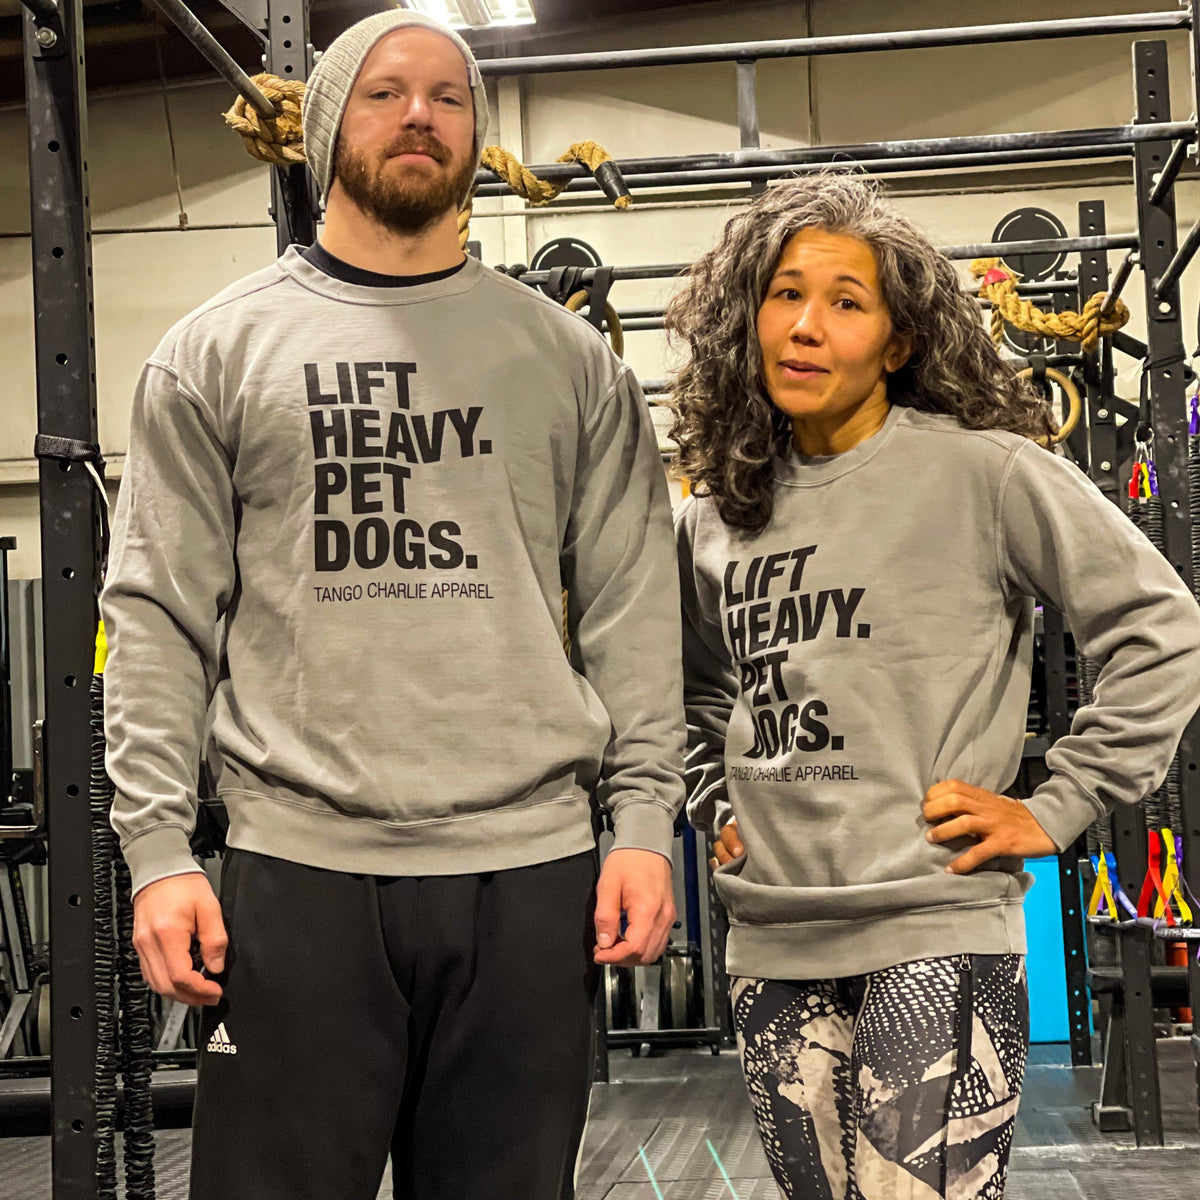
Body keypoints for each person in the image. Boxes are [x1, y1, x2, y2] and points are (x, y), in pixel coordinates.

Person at [101, 10, 684, 1200]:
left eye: (447, 96)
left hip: (529, 877)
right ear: (323, 131)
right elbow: (158, 613)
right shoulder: (217, 353)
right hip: (297, 870)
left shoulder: (571, 365)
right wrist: (157, 850)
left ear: (474, 135)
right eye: (381, 92)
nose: (418, 114)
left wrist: (641, 826)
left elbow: (632, 609)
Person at [668, 172, 1200, 1199]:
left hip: (931, 929)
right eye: (784, 294)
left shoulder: (983, 473)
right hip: (772, 935)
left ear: (898, 342)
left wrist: (1060, 805)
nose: (805, 325)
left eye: (845, 301)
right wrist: (710, 794)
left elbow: (1160, 626)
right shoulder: (715, 512)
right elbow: (686, 690)